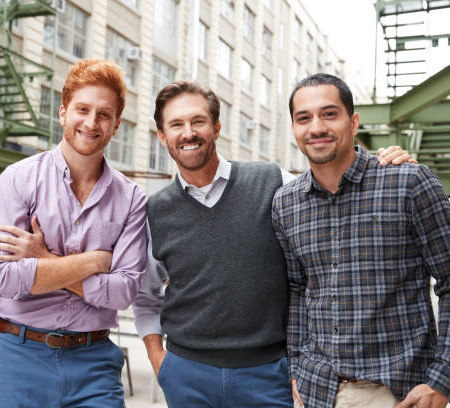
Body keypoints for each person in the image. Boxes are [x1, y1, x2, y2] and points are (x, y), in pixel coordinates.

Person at [132, 80, 415, 408]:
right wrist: (159, 359)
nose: (189, 132)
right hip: (187, 374)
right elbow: (145, 294)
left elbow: (332, 196)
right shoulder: (156, 210)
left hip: (270, 374)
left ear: (217, 127)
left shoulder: (273, 182)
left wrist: (385, 168)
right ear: (162, 136)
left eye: (198, 121)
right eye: (176, 124)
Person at [272, 73, 450, 408]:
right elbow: (298, 290)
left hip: (397, 392)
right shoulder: (285, 203)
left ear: (353, 122)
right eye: (303, 118)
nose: (316, 127)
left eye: (329, 114)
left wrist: (442, 379)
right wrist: (296, 367)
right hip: (318, 391)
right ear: (294, 129)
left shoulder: (409, 182)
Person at [0, 59, 147, 408]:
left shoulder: (131, 198)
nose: (91, 123)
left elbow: (123, 292)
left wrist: (44, 262)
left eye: (104, 114)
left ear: (117, 124)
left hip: (94, 363)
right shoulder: (18, 179)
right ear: (62, 112)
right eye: (82, 109)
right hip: (19, 359)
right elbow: (6, 279)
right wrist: (95, 261)